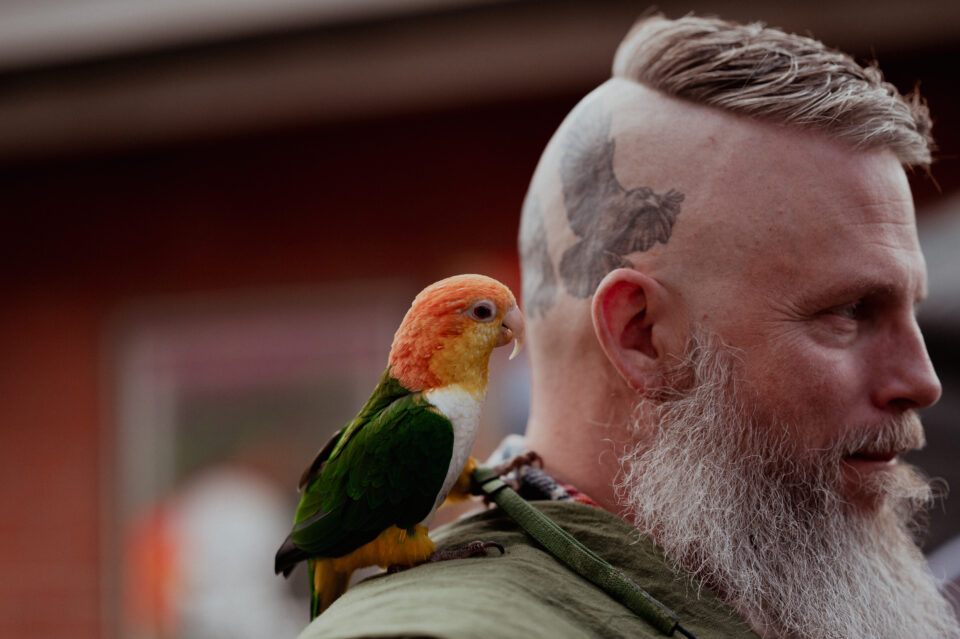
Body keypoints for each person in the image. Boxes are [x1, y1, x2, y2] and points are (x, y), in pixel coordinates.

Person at [297, 14, 960, 638]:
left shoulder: (761, 594)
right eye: (849, 311)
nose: (923, 380)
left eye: (912, 308)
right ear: (642, 334)